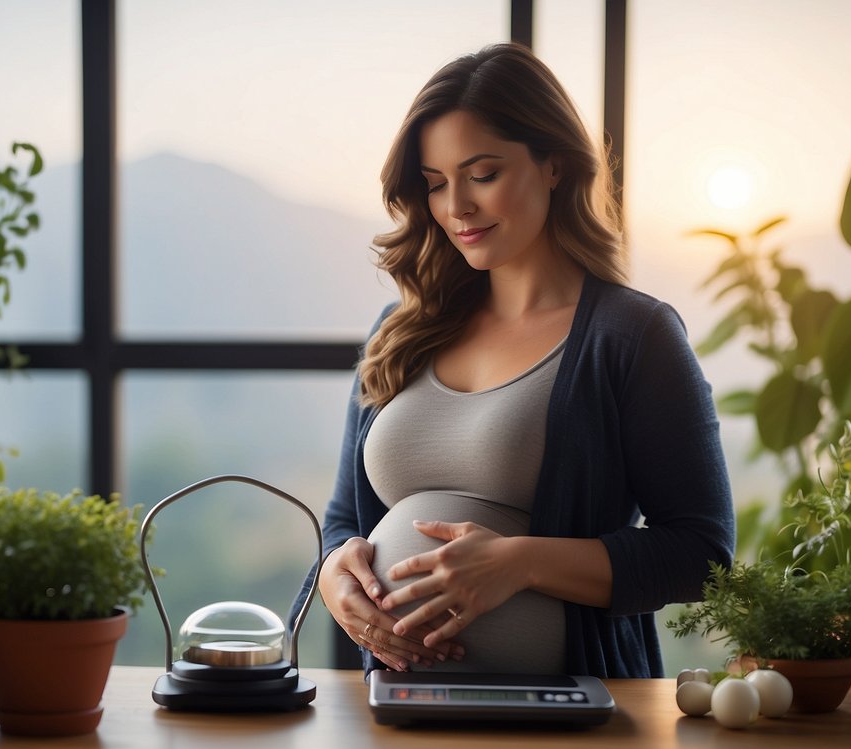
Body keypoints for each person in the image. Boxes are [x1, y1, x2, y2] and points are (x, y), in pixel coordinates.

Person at [303, 42, 734, 679]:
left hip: (564, 731)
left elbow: (703, 556)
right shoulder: (399, 332)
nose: (457, 207)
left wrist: (519, 563)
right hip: (396, 721)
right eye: (435, 184)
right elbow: (344, 519)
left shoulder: (632, 336)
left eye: (482, 175)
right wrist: (335, 573)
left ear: (554, 165)